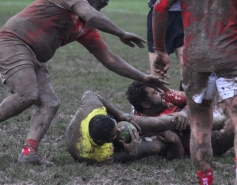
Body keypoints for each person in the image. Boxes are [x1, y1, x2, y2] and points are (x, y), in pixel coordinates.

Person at [0, 0, 169, 165]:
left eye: (102, 6)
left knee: (50, 103)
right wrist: (120, 33)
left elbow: (109, 59)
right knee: (27, 94)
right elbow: (91, 15)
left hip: (34, 56)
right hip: (13, 42)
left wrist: (143, 77)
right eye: (98, 4)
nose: (98, 10)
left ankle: (29, 152)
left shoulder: (85, 28)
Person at [151, 0, 237, 184]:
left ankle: (206, 181)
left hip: (195, 60)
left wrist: (160, 50)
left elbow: (160, 7)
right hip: (232, 58)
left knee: (200, 127)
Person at [125, 81, 237, 157]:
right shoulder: (147, 128)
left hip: (208, 119)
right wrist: (175, 140)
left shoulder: (167, 97)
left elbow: (197, 100)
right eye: (154, 93)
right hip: (210, 142)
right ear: (145, 104)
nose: (161, 93)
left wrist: (185, 114)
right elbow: (175, 155)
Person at [66, 90, 186, 164]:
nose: (119, 130)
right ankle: (174, 140)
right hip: (95, 144)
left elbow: (89, 93)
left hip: (103, 122)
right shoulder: (94, 154)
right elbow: (117, 159)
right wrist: (131, 153)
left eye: (116, 127)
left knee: (156, 123)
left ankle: (184, 117)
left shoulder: (92, 107)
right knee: (154, 147)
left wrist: (119, 115)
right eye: (114, 134)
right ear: (101, 142)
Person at [147, 0, 184, 90]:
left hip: (186, 15)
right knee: (158, 73)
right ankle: (150, 102)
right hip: (159, 15)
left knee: (189, 73)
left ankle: (186, 103)